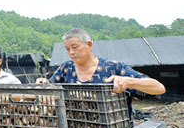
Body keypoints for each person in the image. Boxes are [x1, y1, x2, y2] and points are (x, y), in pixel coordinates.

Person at [36, 28, 166, 96]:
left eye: (75, 47)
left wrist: (129, 81)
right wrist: (43, 83)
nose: (71, 52)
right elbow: (49, 89)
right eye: (67, 49)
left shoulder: (113, 67)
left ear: (89, 45)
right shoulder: (66, 68)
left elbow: (159, 88)